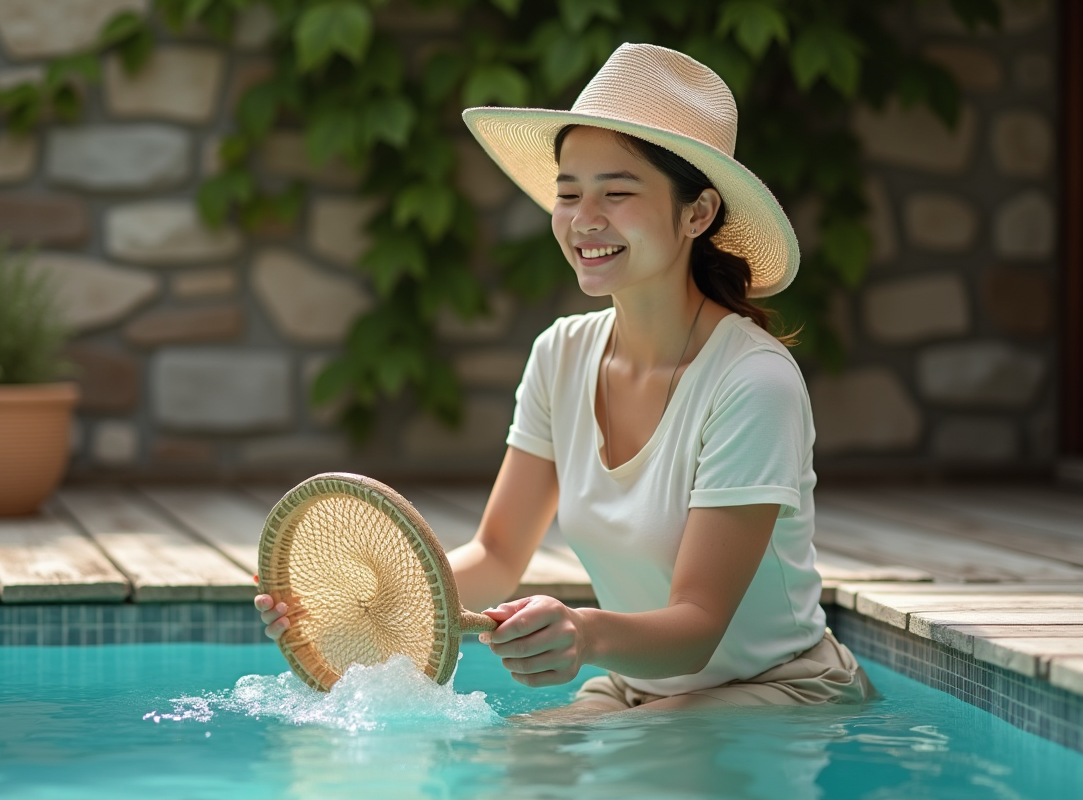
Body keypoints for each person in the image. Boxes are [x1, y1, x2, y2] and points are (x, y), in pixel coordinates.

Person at [255, 42, 873, 713]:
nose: (585, 220)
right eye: (569, 193)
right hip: (639, 686)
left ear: (697, 214)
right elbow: (496, 554)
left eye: (618, 192)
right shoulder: (561, 355)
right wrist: (350, 612)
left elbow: (697, 624)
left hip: (777, 689)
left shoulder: (753, 382)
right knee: (495, 778)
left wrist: (583, 631)